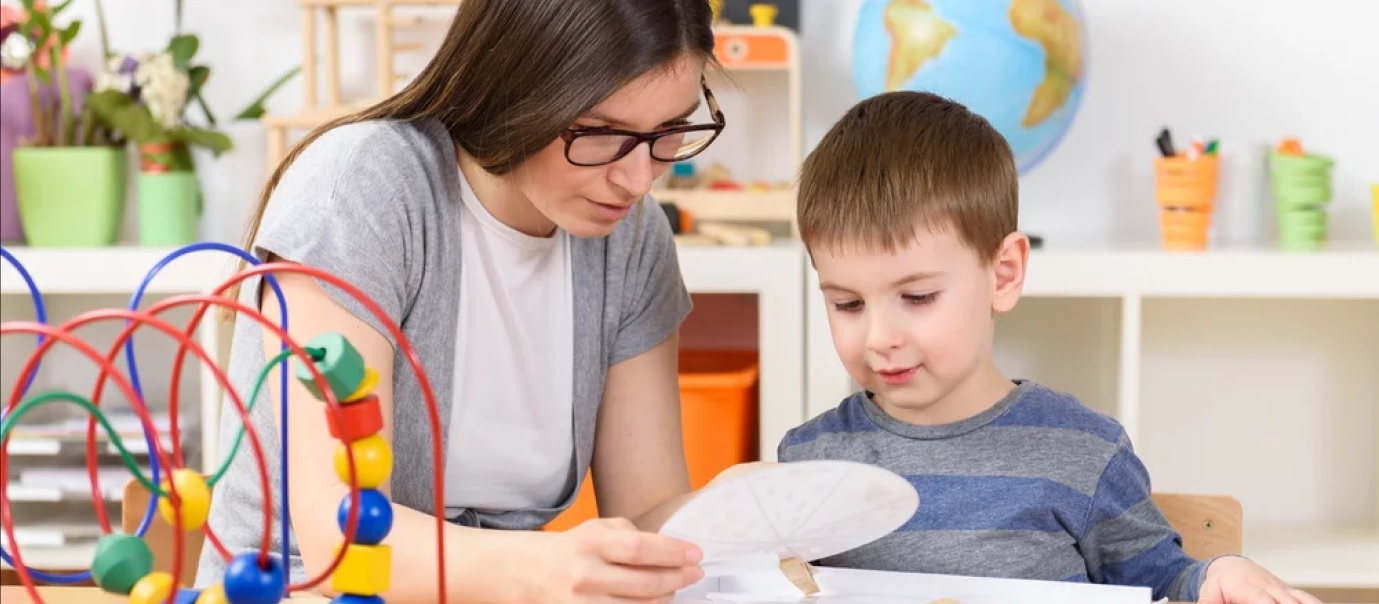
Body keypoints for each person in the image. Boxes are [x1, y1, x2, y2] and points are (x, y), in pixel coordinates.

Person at [195, 1, 730, 602]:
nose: (639, 180)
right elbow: (340, 535)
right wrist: (544, 566)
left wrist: (742, 510)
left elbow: (646, 511)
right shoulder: (364, 187)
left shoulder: (632, 237)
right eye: (603, 134)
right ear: (516, 90)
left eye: (669, 133)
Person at [776, 91, 1321, 604]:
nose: (878, 338)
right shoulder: (808, 462)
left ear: (1004, 273)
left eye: (918, 297)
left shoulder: (1084, 453)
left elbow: (1160, 582)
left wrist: (1215, 576)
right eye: (847, 304)